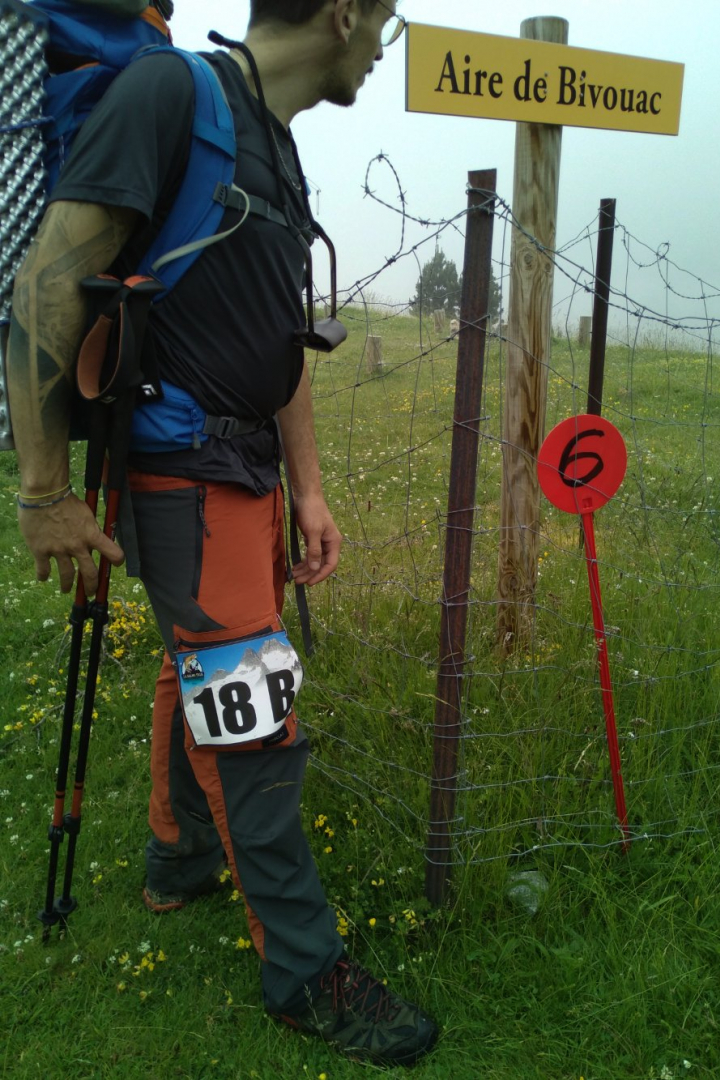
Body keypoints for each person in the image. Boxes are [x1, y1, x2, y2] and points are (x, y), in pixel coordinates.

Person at [7, 0, 438, 1067]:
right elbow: (46, 281)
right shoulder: (169, 93)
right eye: (384, 21)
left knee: (195, 666)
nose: (382, 46)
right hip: (183, 474)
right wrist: (43, 492)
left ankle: (178, 855)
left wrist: (311, 489)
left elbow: (281, 339)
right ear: (341, 12)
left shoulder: (274, 145)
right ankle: (304, 971)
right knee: (256, 727)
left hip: (245, 477)